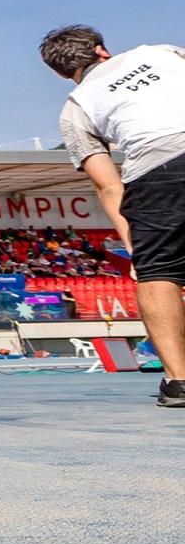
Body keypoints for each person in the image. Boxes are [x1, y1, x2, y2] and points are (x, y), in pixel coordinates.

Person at [41, 25, 185, 406]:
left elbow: (109, 186)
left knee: (159, 273)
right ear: (101, 50)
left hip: (158, 172)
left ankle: (180, 380)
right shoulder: (163, 51)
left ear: (60, 72)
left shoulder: (75, 107)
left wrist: (136, 248)